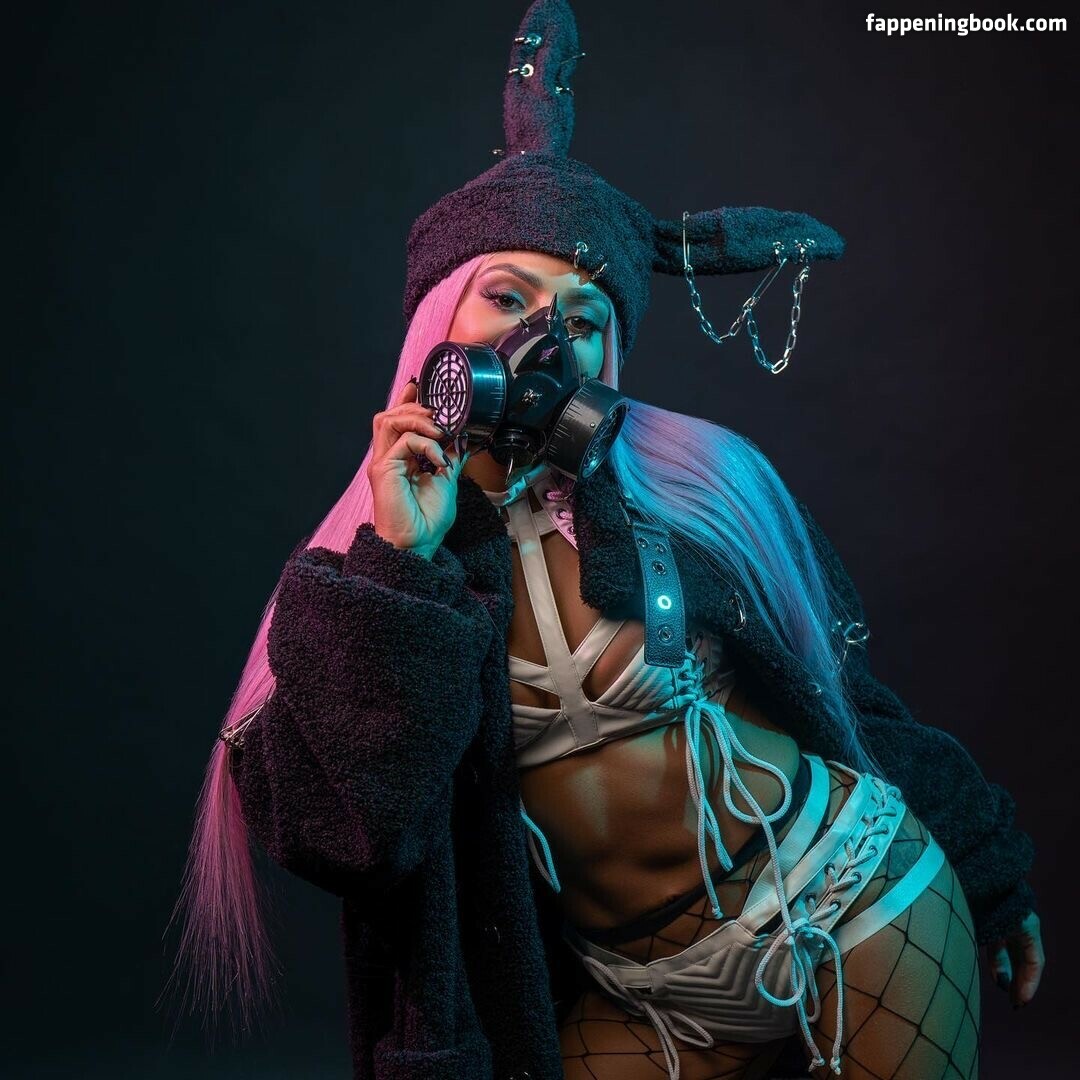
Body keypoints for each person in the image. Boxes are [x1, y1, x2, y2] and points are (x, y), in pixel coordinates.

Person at [163, 3, 1042, 1079]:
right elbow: (355, 836)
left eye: (584, 318)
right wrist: (401, 564)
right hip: (639, 989)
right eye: (507, 296)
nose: (548, 339)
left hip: (850, 897)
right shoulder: (358, 587)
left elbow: (849, 696)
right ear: (438, 325)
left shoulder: (701, 486)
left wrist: (988, 872)